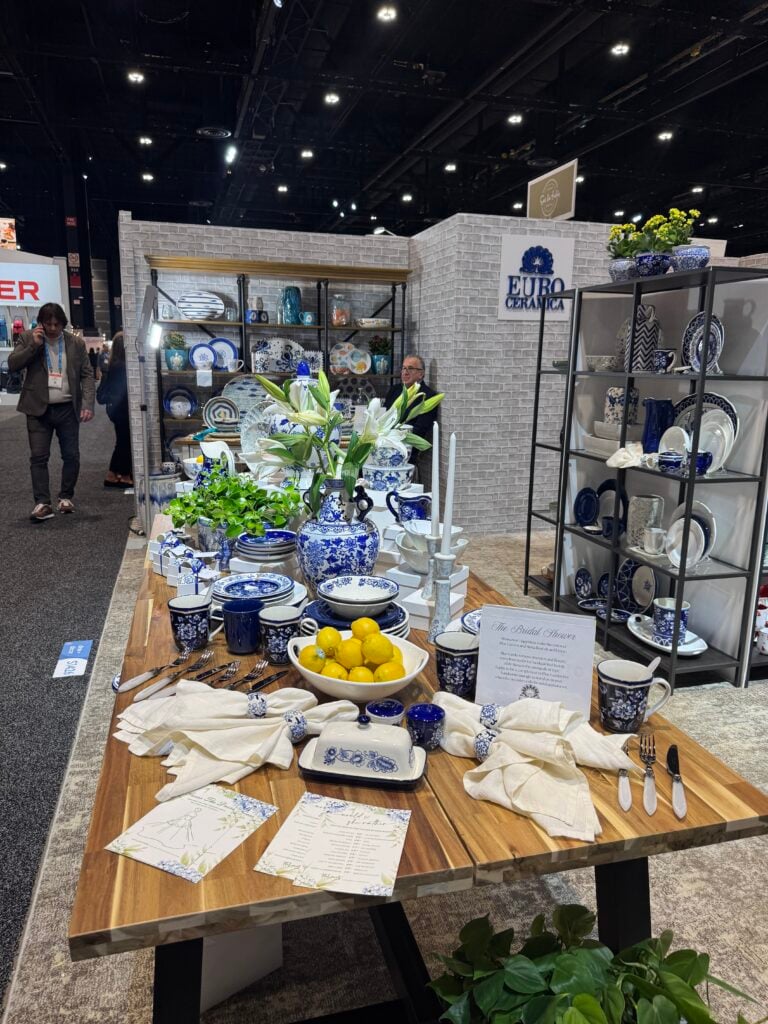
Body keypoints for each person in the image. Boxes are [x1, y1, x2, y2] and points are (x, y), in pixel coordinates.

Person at [8, 301, 94, 522]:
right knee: (38, 457)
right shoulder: (29, 338)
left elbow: (87, 374)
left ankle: (66, 497)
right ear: (41, 323)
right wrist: (34, 346)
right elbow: (13, 364)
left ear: (63, 323)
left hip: (67, 408)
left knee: (72, 455)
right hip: (37, 409)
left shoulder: (75, 343)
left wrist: (87, 404)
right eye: (48, 323)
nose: (53, 328)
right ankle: (42, 503)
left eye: (57, 324)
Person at [384, 354, 440, 484]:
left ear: (421, 374)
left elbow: (419, 431)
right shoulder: (395, 390)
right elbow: (384, 417)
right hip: (384, 445)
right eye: (403, 368)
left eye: (410, 368)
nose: (405, 372)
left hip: (406, 452)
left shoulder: (428, 396)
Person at [98, 331, 133, 487]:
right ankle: (121, 475)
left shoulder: (113, 364)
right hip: (122, 409)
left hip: (115, 409)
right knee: (124, 442)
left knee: (122, 441)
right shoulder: (123, 367)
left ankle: (115, 474)